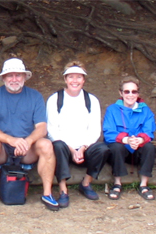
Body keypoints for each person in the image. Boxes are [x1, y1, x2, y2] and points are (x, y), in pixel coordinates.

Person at [0, 58, 59, 211]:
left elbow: (42, 128)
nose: (14, 79)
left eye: (18, 75)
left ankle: (47, 194)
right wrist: (10, 140)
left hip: (27, 149)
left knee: (46, 145)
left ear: (25, 77)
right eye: (10, 75)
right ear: (3, 78)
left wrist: (28, 141)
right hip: (3, 149)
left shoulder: (35, 96)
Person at [46, 61, 109, 207]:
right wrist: (71, 149)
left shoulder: (91, 100)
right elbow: (52, 129)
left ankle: (86, 183)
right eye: (71, 77)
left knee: (103, 149)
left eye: (79, 77)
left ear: (84, 80)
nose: (75, 81)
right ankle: (63, 190)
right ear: (65, 79)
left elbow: (94, 129)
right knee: (58, 145)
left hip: (84, 148)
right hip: (64, 148)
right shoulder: (55, 99)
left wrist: (82, 148)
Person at [102, 76, 156, 200]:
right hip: (121, 149)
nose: (130, 95)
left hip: (138, 148)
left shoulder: (145, 110)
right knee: (116, 147)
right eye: (127, 91)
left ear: (138, 93)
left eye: (134, 91)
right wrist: (126, 140)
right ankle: (117, 183)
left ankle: (144, 184)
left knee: (149, 147)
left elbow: (149, 130)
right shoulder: (112, 109)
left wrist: (140, 140)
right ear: (121, 93)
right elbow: (108, 132)